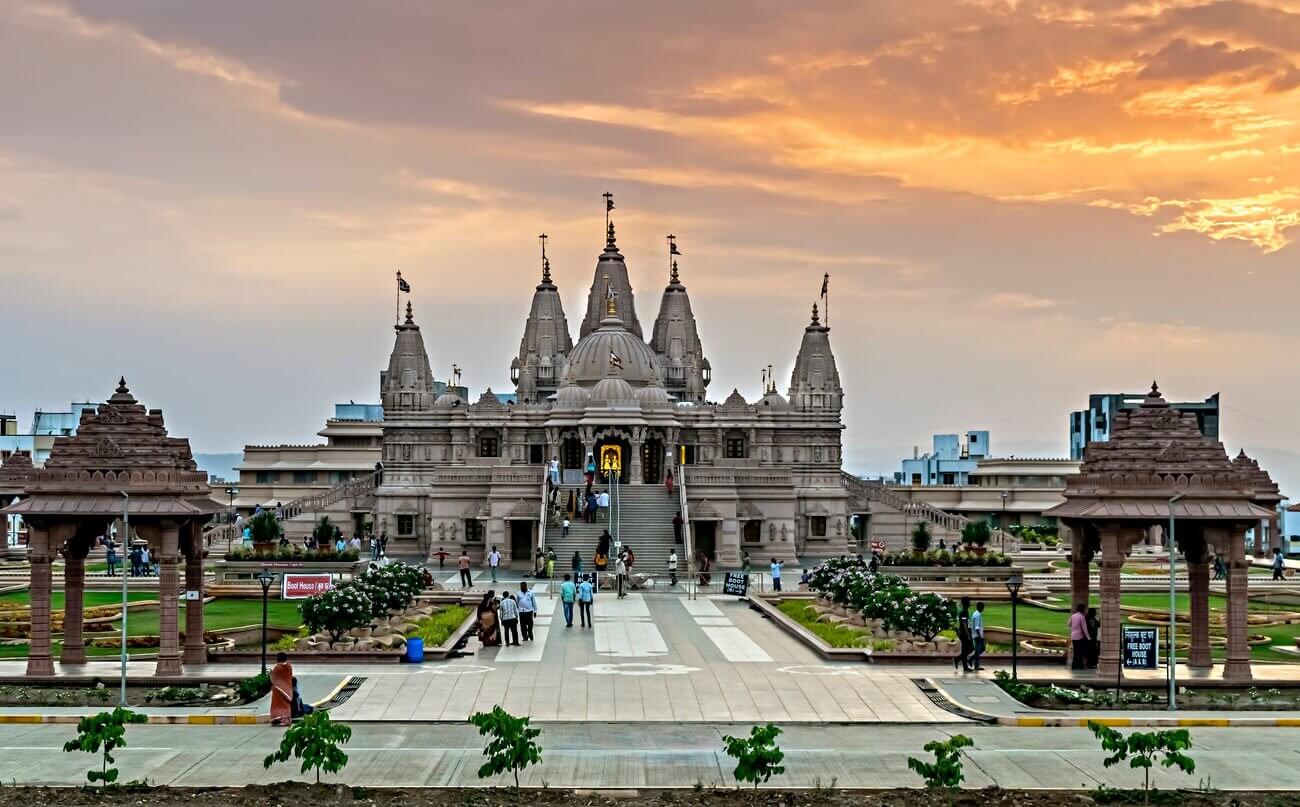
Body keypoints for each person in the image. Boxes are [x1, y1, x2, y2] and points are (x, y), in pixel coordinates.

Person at [270, 652, 293, 726]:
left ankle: (277, 718)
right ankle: (286, 719)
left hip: (278, 690)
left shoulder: (277, 668)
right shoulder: (289, 666)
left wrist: (270, 674)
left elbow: (274, 679)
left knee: (277, 705)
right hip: (287, 690)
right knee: (285, 705)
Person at [1069, 603, 1091, 670]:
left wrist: (1074, 627)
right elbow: (1084, 628)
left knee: (1076, 651)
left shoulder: (1073, 616)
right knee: (1080, 651)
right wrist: (1088, 637)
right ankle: (1080, 665)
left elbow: (1069, 624)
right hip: (1079, 636)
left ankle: (1074, 665)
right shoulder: (1082, 617)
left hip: (1073, 635)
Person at [955, 596, 973, 673]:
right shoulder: (964, 612)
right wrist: (968, 634)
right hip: (964, 634)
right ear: (966, 603)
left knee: (967, 649)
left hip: (964, 633)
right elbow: (964, 623)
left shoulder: (965, 611)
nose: (970, 603)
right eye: (969, 601)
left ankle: (958, 659)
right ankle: (962, 664)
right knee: (968, 648)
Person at [970, 601, 986, 671]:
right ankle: (973, 662)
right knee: (980, 649)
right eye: (982, 607)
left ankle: (973, 661)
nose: (983, 609)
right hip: (977, 636)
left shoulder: (976, 614)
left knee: (980, 649)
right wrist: (980, 636)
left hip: (977, 635)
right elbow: (977, 627)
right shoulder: (977, 615)